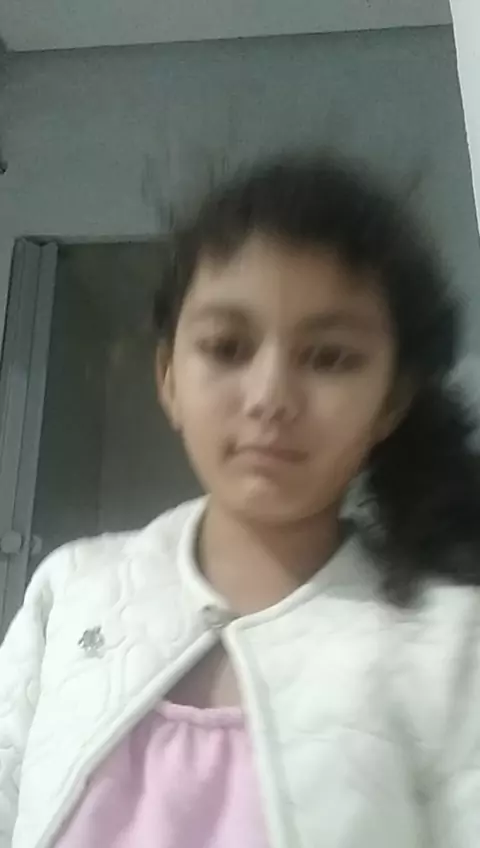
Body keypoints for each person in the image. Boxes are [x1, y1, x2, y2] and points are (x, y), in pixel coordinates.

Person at [1, 154, 480, 848]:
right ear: (169, 377)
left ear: (390, 401)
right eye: (227, 347)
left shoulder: (448, 642)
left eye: (329, 357)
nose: (269, 397)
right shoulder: (72, 589)